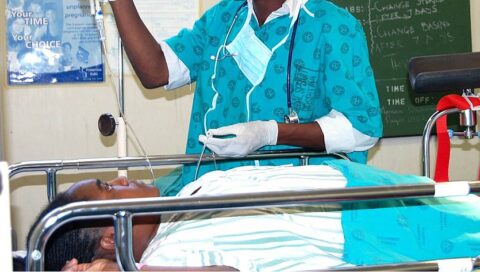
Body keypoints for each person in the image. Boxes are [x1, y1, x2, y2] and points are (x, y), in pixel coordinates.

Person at [74, 0, 383, 190]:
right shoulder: (223, 18)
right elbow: (156, 71)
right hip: (214, 195)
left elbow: (361, 129)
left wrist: (269, 133)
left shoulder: (332, 28)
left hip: (296, 204)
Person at [27, 162, 480, 271]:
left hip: (354, 186)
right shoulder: (169, 257)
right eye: (109, 188)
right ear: (111, 238)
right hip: (357, 230)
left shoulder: (177, 202)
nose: (122, 179)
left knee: (467, 204)